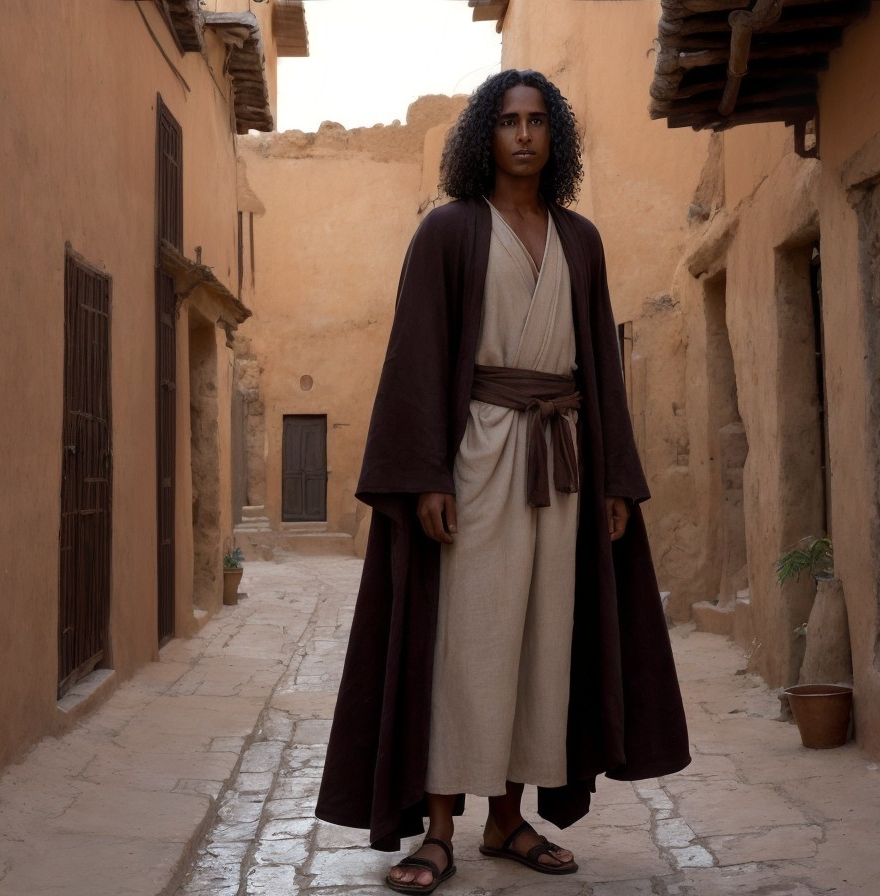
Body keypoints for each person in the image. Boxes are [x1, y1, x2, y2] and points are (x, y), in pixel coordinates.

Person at [315, 69, 690, 895]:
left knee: (540, 642)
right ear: (485, 134)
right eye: (509, 121)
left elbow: (601, 368)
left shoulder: (580, 239)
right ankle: (439, 829)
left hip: (565, 462)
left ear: (556, 136)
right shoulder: (449, 231)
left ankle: (507, 819)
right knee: (466, 640)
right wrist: (427, 476)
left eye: (538, 121)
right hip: (479, 458)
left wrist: (616, 480)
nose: (523, 135)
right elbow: (416, 355)